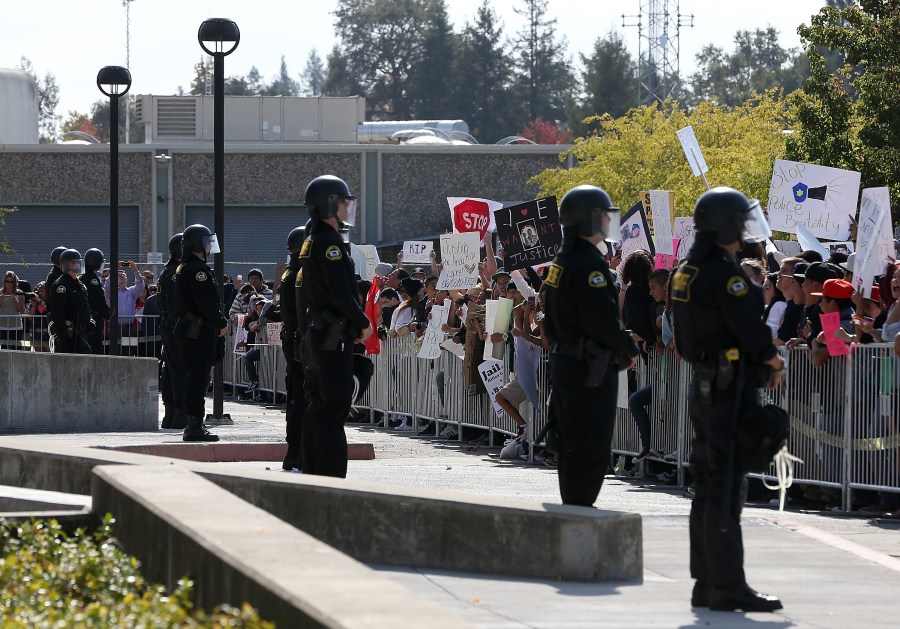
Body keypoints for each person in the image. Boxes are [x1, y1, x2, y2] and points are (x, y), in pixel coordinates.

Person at [669, 186, 784, 612]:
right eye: (738, 220)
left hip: (705, 382)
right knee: (724, 486)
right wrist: (772, 360)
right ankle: (728, 586)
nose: (744, 228)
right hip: (726, 385)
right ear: (724, 225)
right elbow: (748, 327)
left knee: (708, 484)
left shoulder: (687, 270)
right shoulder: (723, 272)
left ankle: (706, 582)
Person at [542, 184, 639, 507]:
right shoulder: (589, 265)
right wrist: (627, 348)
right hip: (588, 367)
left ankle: (574, 504)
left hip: (567, 362)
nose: (607, 223)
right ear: (589, 220)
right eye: (603, 215)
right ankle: (580, 510)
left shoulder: (561, 262)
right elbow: (600, 319)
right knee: (590, 442)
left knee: (571, 441)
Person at [298, 175, 372, 478]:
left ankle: (313, 471)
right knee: (333, 409)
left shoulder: (312, 240)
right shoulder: (330, 244)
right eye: (343, 203)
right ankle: (330, 478)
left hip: (318, 336)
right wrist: (363, 322)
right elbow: (341, 293)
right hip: (332, 339)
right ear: (330, 204)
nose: (346, 209)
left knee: (318, 408)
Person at [174, 224, 227, 442]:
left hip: (192, 331)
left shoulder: (186, 266)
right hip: (198, 332)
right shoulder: (196, 270)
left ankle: (195, 422)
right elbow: (205, 302)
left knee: (196, 378)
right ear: (196, 243)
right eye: (205, 241)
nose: (208, 245)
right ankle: (194, 425)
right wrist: (220, 322)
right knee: (198, 378)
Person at [280, 224, 308, 471]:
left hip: (292, 339)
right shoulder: (301, 274)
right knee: (302, 398)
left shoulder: (290, 273)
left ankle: (295, 453)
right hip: (300, 340)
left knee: (296, 397)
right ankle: (298, 454)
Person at [157, 233, 188, 429]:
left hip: (169, 327)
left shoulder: (167, 271)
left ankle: (171, 414)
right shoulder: (177, 272)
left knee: (170, 371)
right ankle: (180, 413)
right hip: (178, 328)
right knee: (180, 372)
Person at [49, 249, 94, 354]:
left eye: (77, 261)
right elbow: (58, 313)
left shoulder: (79, 284)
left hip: (81, 332)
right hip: (68, 333)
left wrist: (89, 320)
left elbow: (85, 305)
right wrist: (62, 338)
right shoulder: (61, 285)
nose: (75, 264)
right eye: (72, 262)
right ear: (65, 264)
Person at [104, 260, 144, 355]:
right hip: (115, 328)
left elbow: (140, 285)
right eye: (119, 276)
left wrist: (135, 270)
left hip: (129, 329)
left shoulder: (132, 292)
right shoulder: (111, 293)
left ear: (127, 279)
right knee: (115, 353)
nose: (122, 278)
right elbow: (107, 285)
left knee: (129, 353)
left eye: (124, 276)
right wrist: (115, 269)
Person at [79, 248, 110, 354]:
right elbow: (98, 301)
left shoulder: (81, 276)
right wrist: (108, 312)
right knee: (94, 348)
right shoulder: (92, 279)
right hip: (94, 320)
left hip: (86, 320)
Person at [0, 271, 26, 350]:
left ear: (15, 283)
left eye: (11, 282)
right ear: (4, 282)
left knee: (17, 350)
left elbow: (22, 311)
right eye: (7, 281)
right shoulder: (0, 292)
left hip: (16, 326)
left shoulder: (19, 293)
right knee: (4, 350)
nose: (9, 284)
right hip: (2, 327)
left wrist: (16, 302)